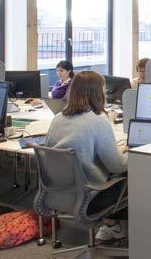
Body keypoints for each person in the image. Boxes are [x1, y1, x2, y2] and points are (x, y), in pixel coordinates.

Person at [46, 71, 128, 242]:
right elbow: (117, 166)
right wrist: (135, 155)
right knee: (135, 174)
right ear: (97, 93)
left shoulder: (57, 118)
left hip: (58, 195)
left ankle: (111, 225)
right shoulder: (98, 120)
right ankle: (116, 227)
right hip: (90, 199)